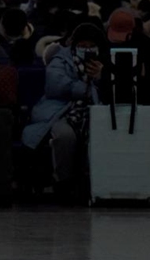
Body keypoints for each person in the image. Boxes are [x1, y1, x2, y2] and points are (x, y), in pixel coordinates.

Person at [22, 24, 106, 184]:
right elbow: (55, 85)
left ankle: (95, 181)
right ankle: (64, 181)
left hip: (96, 111)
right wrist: (86, 88)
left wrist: (102, 77)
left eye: (91, 46)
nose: (87, 50)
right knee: (64, 136)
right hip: (59, 111)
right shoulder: (60, 60)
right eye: (82, 46)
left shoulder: (107, 63)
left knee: (98, 134)